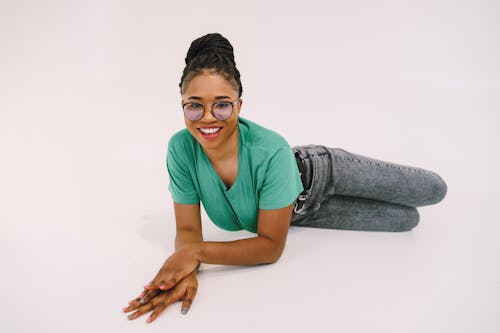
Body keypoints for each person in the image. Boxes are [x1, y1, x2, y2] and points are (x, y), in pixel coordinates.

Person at [122, 33, 447, 323]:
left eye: (221, 106)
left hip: (322, 173)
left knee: (432, 190)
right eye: (194, 106)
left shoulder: (270, 150)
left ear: (239, 106)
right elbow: (189, 230)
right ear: (182, 106)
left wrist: (193, 254)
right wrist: (187, 273)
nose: (208, 118)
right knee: (406, 222)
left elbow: (270, 248)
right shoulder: (180, 149)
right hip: (297, 213)